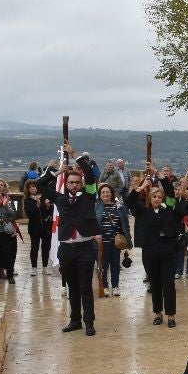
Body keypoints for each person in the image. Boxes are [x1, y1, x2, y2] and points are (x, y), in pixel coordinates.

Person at [43, 144, 101, 336]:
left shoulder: (89, 196)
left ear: (81, 184)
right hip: (66, 249)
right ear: (66, 184)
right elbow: (40, 186)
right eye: (71, 183)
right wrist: (58, 171)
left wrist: (75, 155)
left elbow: (90, 174)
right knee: (72, 287)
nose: (74, 185)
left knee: (85, 288)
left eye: (77, 182)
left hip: (85, 248)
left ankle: (89, 322)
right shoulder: (60, 198)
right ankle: (75, 320)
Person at [130, 168, 186, 327]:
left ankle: (171, 315)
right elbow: (130, 201)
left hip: (168, 250)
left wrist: (159, 175)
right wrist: (141, 187)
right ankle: (157, 313)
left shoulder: (168, 209)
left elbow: (170, 192)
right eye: (154, 196)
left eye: (159, 196)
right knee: (154, 284)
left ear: (162, 198)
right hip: (150, 251)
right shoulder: (143, 211)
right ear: (150, 198)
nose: (156, 198)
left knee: (168, 284)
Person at [96, 183, 130, 296]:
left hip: (115, 242)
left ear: (111, 193)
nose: (105, 194)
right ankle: (105, 286)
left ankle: (115, 286)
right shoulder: (96, 207)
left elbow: (125, 223)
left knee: (115, 264)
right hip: (102, 242)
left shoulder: (119, 206)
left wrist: (127, 238)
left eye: (107, 192)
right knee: (103, 265)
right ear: (100, 194)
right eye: (103, 192)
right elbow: (92, 223)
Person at [23, 181, 53, 276]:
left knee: (46, 247)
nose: (32, 188)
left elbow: (50, 212)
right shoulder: (27, 200)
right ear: (27, 189)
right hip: (34, 228)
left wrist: (48, 207)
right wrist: (37, 205)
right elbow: (29, 213)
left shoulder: (44, 197)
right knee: (34, 247)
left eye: (34, 186)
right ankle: (34, 267)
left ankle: (45, 267)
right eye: (30, 187)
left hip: (46, 227)